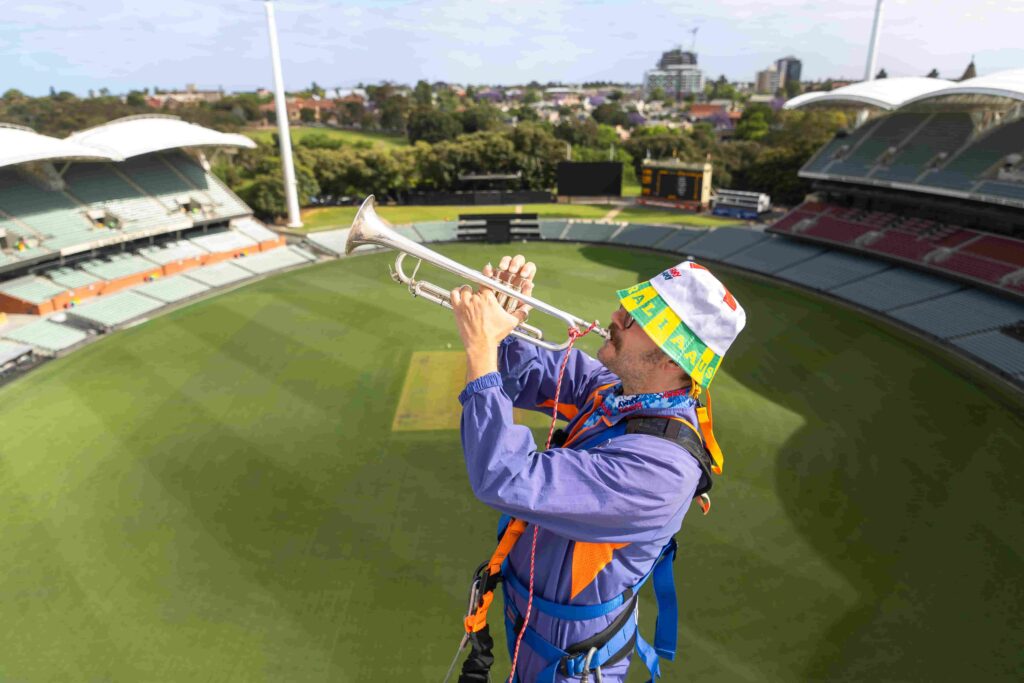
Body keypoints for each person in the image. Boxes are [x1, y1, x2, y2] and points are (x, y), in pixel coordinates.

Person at [449, 254, 746, 682]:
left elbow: (504, 476)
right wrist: (504, 323)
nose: (616, 316)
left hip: (572, 665)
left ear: (673, 362)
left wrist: (480, 349)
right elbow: (525, 375)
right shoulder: (617, 391)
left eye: (636, 319)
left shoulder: (661, 472)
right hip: (532, 632)